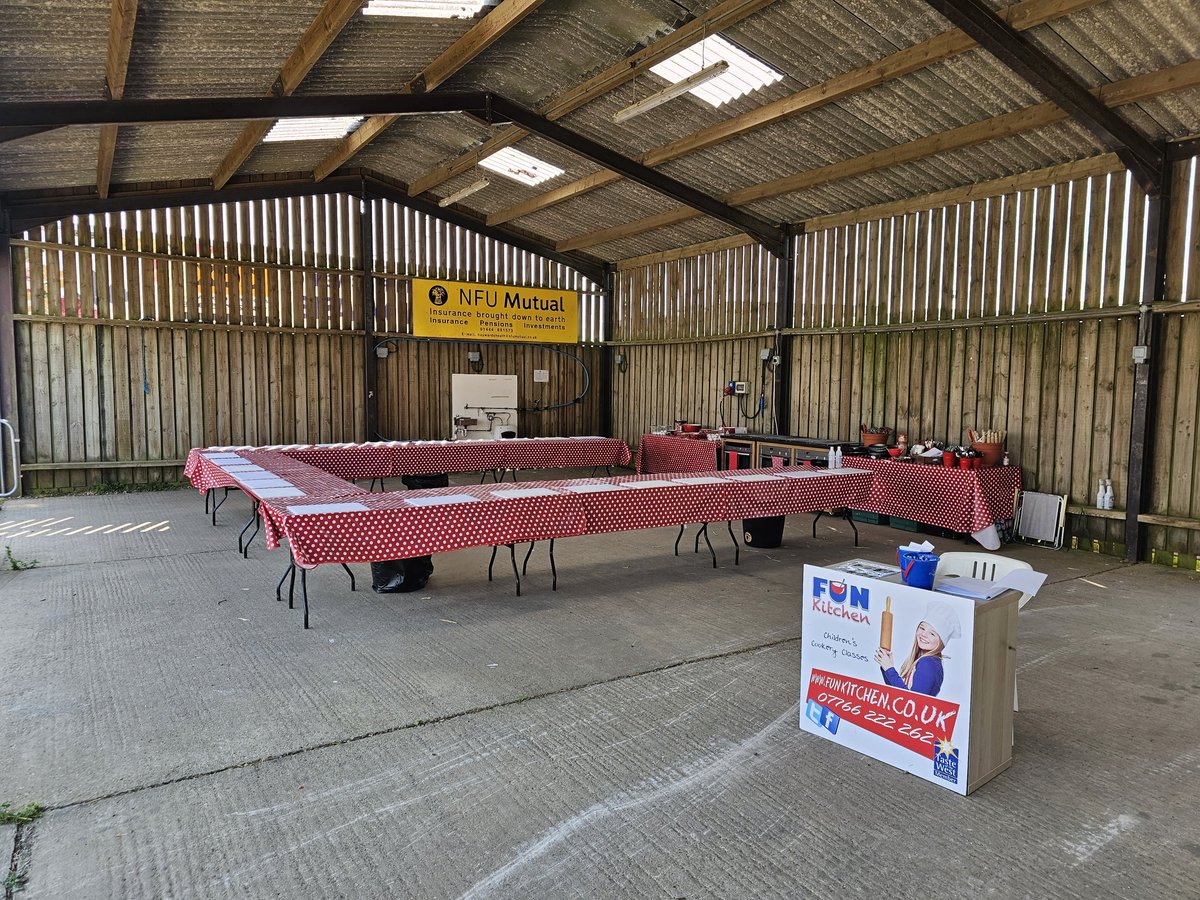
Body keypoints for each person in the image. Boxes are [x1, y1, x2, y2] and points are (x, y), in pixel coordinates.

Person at [874, 600, 961, 697]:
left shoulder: (928, 663)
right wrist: (886, 667)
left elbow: (911, 701)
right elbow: (897, 696)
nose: (924, 634)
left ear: (941, 642)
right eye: (922, 628)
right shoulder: (925, 661)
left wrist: (889, 669)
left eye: (932, 634)